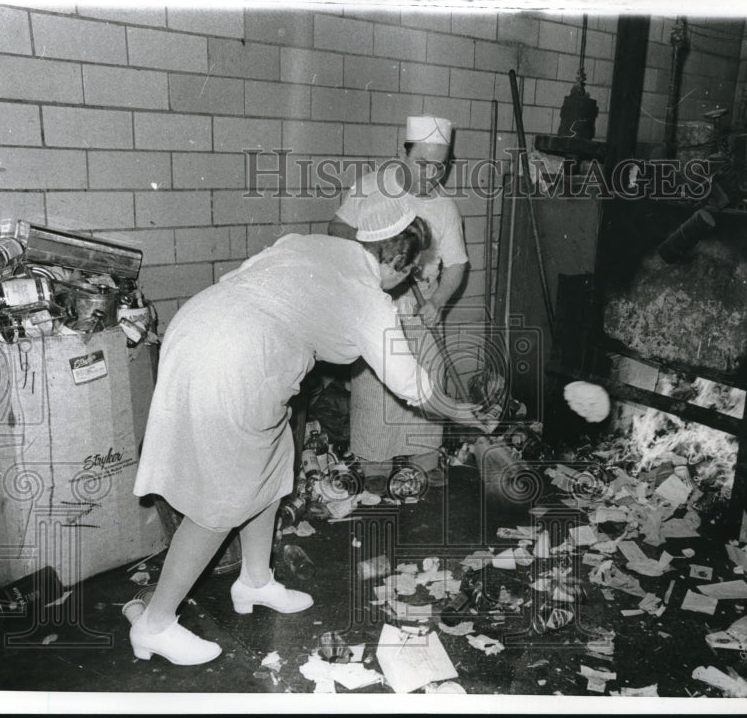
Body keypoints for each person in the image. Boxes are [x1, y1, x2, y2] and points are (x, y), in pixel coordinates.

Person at [129, 192, 489, 666]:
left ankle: (255, 581)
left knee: (276, 461)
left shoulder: (311, 244)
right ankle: (155, 624)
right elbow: (413, 386)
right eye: (410, 268)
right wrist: (464, 413)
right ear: (399, 262)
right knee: (220, 499)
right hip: (232, 358)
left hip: (201, 325)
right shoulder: (370, 299)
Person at [328, 116, 468, 485]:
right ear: (403, 155)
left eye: (440, 165)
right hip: (375, 303)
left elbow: (456, 265)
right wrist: (380, 248)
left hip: (422, 311)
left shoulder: (444, 207)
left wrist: (437, 300)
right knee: (376, 390)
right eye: (423, 163)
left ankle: (425, 458)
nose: (431, 173)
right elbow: (336, 228)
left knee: (427, 378)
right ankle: (375, 464)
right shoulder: (371, 188)